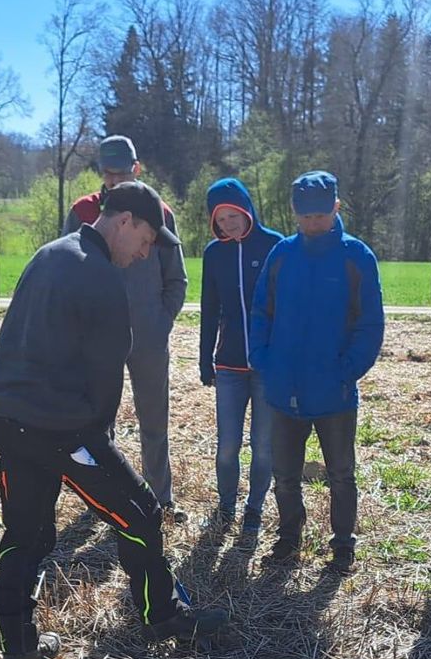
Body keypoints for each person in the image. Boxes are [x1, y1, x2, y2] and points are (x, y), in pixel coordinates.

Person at [0, 182, 228, 659]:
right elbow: (103, 387)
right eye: (145, 241)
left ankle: (18, 642)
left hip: (8, 418)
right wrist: (98, 447)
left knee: (25, 532)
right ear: (125, 222)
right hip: (60, 428)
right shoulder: (99, 278)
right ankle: (162, 614)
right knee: (140, 512)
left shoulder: (50, 254)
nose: (144, 255)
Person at [248, 171, 385, 574]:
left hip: (334, 392)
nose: (312, 223)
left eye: (320, 216)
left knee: (341, 474)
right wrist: (264, 359)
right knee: (285, 474)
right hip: (283, 386)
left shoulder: (356, 257)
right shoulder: (282, 255)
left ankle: (343, 543)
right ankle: (289, 536)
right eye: (305, 216)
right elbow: (261, 311)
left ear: (336, 208)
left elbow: (370, 325)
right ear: (294, 213)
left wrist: (347, 370)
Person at [63, 135, 189, 516]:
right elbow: (67, 271)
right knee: (97, 420)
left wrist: (160, 322)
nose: (116, 179)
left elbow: (177, 278)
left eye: (123, 172)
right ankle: (103, 498)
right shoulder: (83, 211)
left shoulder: (158, 212)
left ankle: (159, 499)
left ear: (138, 168)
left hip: (147, 336)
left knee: (154, 420)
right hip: (96, 339)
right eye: (108, 172)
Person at [197, 177, 282, 534]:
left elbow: (287, 307)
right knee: (227, 445)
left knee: (262, 446)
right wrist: (205, 357)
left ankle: (255, 508)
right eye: (221, 219)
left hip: (267, 366)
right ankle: (227, 505)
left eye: (234, 215)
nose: (228, 224)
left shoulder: (276, 245)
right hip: (229, 365)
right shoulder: (214, 254)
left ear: (248, 209)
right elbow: (209, 308)